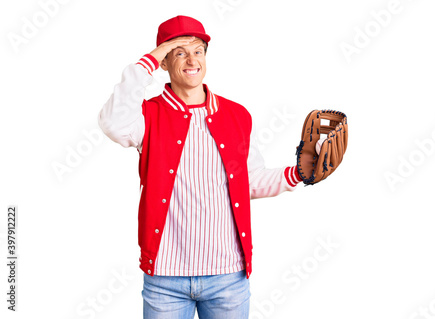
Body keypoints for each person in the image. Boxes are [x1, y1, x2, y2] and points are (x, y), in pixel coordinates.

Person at [98, 15, 303, 319]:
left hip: (227, 276)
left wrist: (298, 173)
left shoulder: (236, 115)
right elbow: (113, 123)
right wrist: (151, 58)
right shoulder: (147, 116)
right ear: (164, 63)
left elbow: (249, 181)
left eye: (198, 50)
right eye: (180, 52)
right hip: (165, 278)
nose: (192, 59)